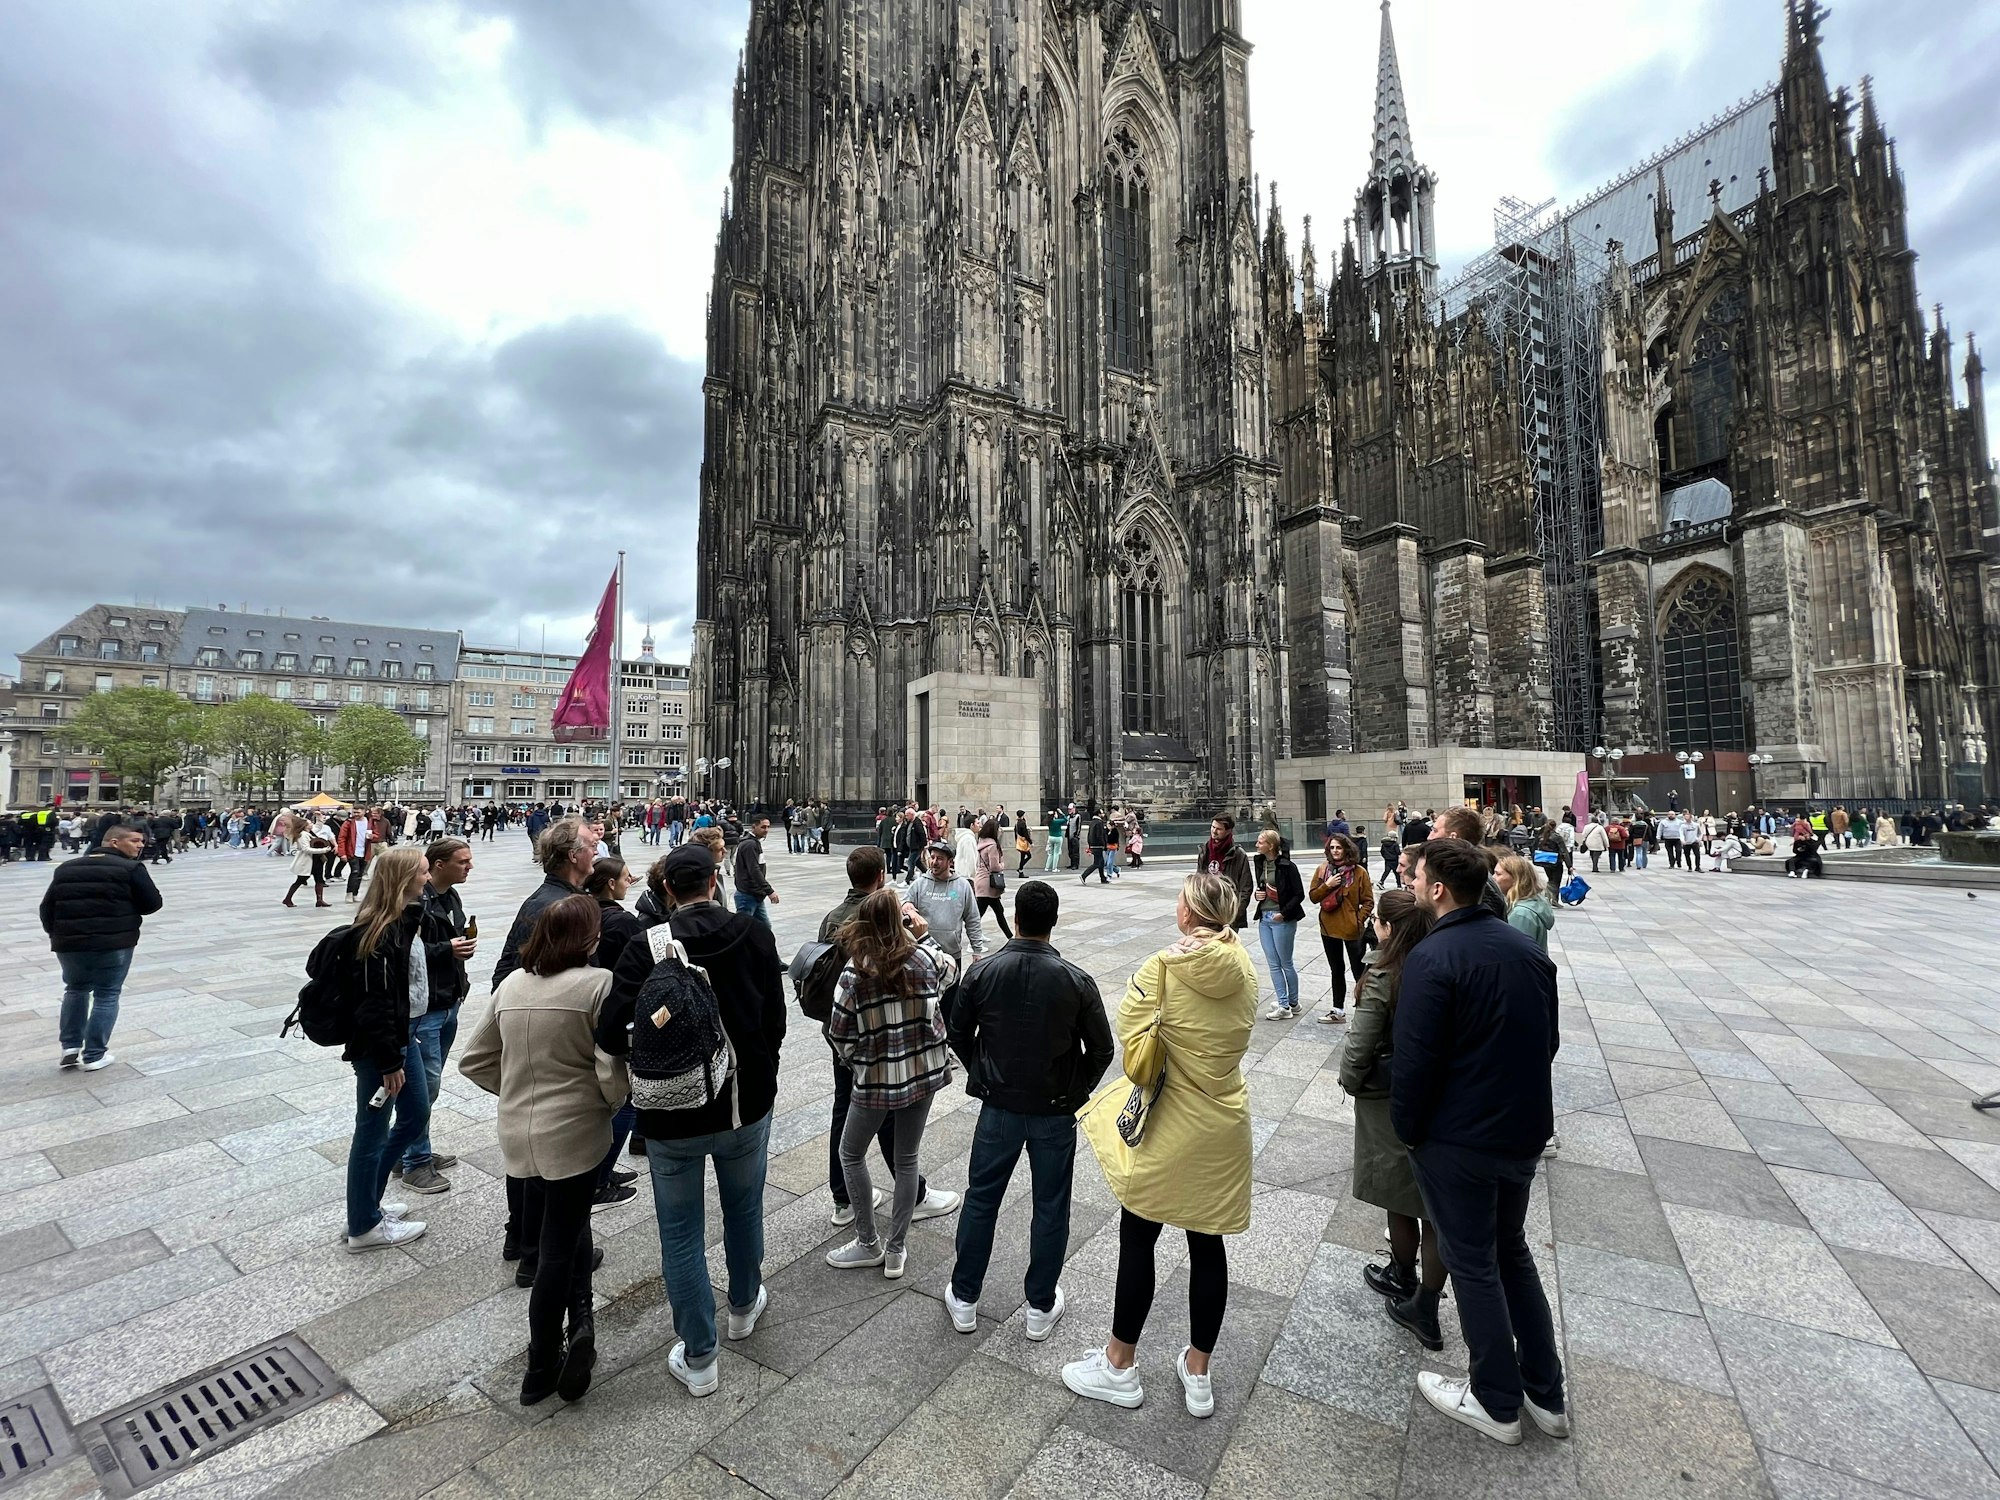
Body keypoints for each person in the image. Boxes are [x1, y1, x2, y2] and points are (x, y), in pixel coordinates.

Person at [1392, 837, 1566, 1446]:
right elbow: (1549, 1044)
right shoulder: (1525, 950)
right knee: (1511, 1251)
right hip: (1518, 1132)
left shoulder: (1433, 958)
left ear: (1439, 889)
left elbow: (1414, 1062)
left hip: (1458, 1138)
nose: (1410, 883)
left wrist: (1409, 1132)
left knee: (1472, 1263)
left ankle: (1496, 1401)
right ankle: (1546, 1394)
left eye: (1415, 877)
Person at [1064, 873, 1256, 1418]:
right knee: (1207, 1246)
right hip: (1222, 1124)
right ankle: (1198, 1372)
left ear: (1191, 912)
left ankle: (1120, 1365)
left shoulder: (1163, 967)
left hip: (1170, 1121)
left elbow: (1134, 1048)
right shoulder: (1243, 967)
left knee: (1139, 1237)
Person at [599, 842, 786, 1398]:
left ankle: (701, 1356)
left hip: (669, 1116)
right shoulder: (752, 935)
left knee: (680, 1232)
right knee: (743, 1207)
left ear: (664, 892)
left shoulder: (644, 947)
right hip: (743, 1105)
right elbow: (774, 1021)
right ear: (714, 882)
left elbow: (610, 1034)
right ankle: (745, 1303)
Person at [460, 894, 623, 1405]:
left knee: (568, 1226)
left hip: (519, 1132)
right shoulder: (598, 984)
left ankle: (582, 1326)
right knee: (557, 1245)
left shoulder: (511, 984)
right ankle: (540, 1363)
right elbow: (610, 1064)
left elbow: (474, 1059)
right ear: (588, 938)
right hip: (574, 1129)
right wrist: (608, 1101)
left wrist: (514, 1092)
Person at [944, 879, 1112, 1338]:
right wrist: (1076, 1091)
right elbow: (1102, 1050)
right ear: (1053, 923)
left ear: (1015, 918)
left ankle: (965, 1296)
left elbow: (956, 1032)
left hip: (999, 1105)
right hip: (1055, 1109)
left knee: (981, 1198)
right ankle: (1040, 1305)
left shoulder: (981, 973)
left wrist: (983, 1072)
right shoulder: (1077, 981)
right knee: (1051, 1205)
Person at [823, 888, 958, 1278]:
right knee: (906, 1158)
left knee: (851, 1154)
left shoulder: (855, 972)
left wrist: (860, 1062)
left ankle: (869, 1242)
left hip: (875, 1079)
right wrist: (925, 933)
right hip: (924, 1074)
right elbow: (952, 971)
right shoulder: (925, 958)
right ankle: (896, 1249)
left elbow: (839, 1033)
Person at [1340, 887, 1445, 1348]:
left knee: (1400, 1191)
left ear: (1386, 927)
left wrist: (1349, 1080)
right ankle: (1428, 1293)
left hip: (1388, 1092)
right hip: (1442, 1091)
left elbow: (1361, 1043)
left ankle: (1404, 1276)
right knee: (1435, 1208)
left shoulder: (1384, 972)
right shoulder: (1438, 962)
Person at [335, 845, 434, 1253]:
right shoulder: (379, 930)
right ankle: (363, 1227)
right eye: (423, 873)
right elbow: (375, 1003)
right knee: (372, 1131)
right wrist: (390, 1059)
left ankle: (368, 1207)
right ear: (403, 878)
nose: (428, 879)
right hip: (383, 1045)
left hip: (402, 1034)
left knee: (415, 1115)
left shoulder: (401, 920)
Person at [41, 819, 161, 1071]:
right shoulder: (130, 869)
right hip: (114, 942)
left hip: (70, 943)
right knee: (107, 994)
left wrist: (56, 933)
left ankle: (70, 1045)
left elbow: (47, 908)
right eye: (134, 841)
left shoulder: (67, 868)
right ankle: (94, 1054)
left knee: (75, 989)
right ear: (114, 842)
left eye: (141, 841)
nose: (140, 846)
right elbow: (152, 904)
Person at [396, 837, 478, 1195]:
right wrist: (448, 948)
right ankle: (416, 1161)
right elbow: (405, 952)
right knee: (422, 1089)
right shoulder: (416, 901)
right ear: (439, 865)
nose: (469, 867)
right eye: (462, 861)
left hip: (449, 1001)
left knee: (428, 1086)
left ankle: (407, 1148)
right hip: (425, 1008)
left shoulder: (450, 897)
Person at [1309, 834, 1374, 1026]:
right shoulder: (1323, 870)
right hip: (1328, 928)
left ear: (1347, 849)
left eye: (1339, 847)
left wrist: (1358, 920)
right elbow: (1313, 897)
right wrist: (1327, 886)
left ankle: (1365, 1012)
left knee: (1358, 971)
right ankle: (1338, 1010)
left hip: (1352, 930)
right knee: (1336, 969)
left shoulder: (1359, 872)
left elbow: (1368, 901)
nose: (1335, 851)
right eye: (1332, 848)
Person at [905, 839, 985, 976]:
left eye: (940, 859)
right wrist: (907, 907)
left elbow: (972, 919)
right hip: (923, 956)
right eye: (932, 857)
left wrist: (977, 951)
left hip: (952, 956)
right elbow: (905, 903)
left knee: (951, 997)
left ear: (950, 861)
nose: (934, 862)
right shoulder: (919, 885)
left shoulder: (962, 886)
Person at [1251, 828, 1306, 1020]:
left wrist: (1283, 914)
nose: (1257, 845)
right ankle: (1288, 1002)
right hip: (1264, 918)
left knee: (1285, 963)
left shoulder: (1287, 866)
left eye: (1260, 841)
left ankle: (1287, 1005)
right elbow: (1260, 889)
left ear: (1271, 845)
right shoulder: (1261, 864)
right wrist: (1258, 896)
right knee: (1274, 964)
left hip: (1281, 919)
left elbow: (1299, 894)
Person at [1195, 814, 1253, 930]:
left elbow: (1246, 887)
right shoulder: (1205, 850)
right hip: (1207, 911)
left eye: (1219, 829)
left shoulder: (1238, 855)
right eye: (1213, 827)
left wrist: (1235, 915)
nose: (1214, 831)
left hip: (1228, 913)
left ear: (1228, 831)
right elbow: (1198, 881)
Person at [1493, 854, 1554, 951]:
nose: (1493, 878)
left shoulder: (1521, 914)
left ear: (1516, 879)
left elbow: (1515, 952)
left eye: (1498, 874)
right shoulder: (1533, 901)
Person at [972, 818, 1014, 939]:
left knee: (997, 910)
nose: (1000, 830)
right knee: (982, 913)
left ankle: (1010, 937)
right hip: (989, 884)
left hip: (981, 880)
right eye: (998, 828)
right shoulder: (992, 846)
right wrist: (1003, 865)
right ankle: (973, 939)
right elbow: (995, 867)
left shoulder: (981, 842)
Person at [283, 813, 337, 908]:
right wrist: (323, 850)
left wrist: (319, 817)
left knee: (319, 879)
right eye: (310, 823)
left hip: (316, 860)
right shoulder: (303, 835)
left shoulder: (309, 832)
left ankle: (319, 900)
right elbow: (306, 849)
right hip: (308, 861)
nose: (312, 824)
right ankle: (287, 899)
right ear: (305, 826)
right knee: (300, 880)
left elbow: (318, 826)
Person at [336, 804, 376, 901]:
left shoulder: (370, 822)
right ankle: (349, 893)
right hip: (352, 852)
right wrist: (342, 853)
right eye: (354, 812)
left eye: (358, 812)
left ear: (364, 811)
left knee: (360, 874)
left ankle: (355, 894)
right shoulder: (348, 823)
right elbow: (342, 838)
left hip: (365, 851)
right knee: (355, 871)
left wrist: (373, 836)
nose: (356, 814)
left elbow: (376, 833)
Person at [1044, 807, 1067, 873]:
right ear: (1054, 815)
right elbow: (1065, 819)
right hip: (1058, 837)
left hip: (1051, 837)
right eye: (1056, 814)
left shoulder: (1049, 822)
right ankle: (1054, 868)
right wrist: (1061, 813)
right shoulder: (1057, 821)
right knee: (1056, 853)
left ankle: (1047, 867)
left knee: (1050, 853)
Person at [1014, 810, 1034, 874]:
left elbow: (1016, 831)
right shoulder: (1022, 823)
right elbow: (1025, 834)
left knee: (1023, 856)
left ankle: (1020, 870)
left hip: (1020, 840)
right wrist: (1031, 842)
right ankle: (1020, 869)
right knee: (1028, 856)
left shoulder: (1017, 822)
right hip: (1023, 842)